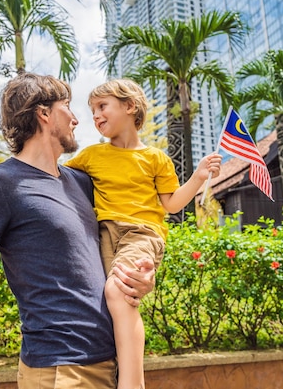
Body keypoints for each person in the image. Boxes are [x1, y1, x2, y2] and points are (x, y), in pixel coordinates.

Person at [0, 73, 156, 389]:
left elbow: (122, 239)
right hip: (60, 372)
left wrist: (140, 276)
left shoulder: (82, 183)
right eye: (66, 107)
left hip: (110, 365)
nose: (76, 119)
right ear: (44, 114)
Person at [65, 79, 222, 389]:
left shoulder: (155, 158)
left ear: (129, 106)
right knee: (112, 302)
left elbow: (172, 203)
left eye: (102, 106)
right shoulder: (90, 156)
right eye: (92, 110)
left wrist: (199, 175)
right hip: (103, 235)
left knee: (119, 290)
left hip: (142, 233)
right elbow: (58, 178)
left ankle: (132, 383)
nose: (95, 115)